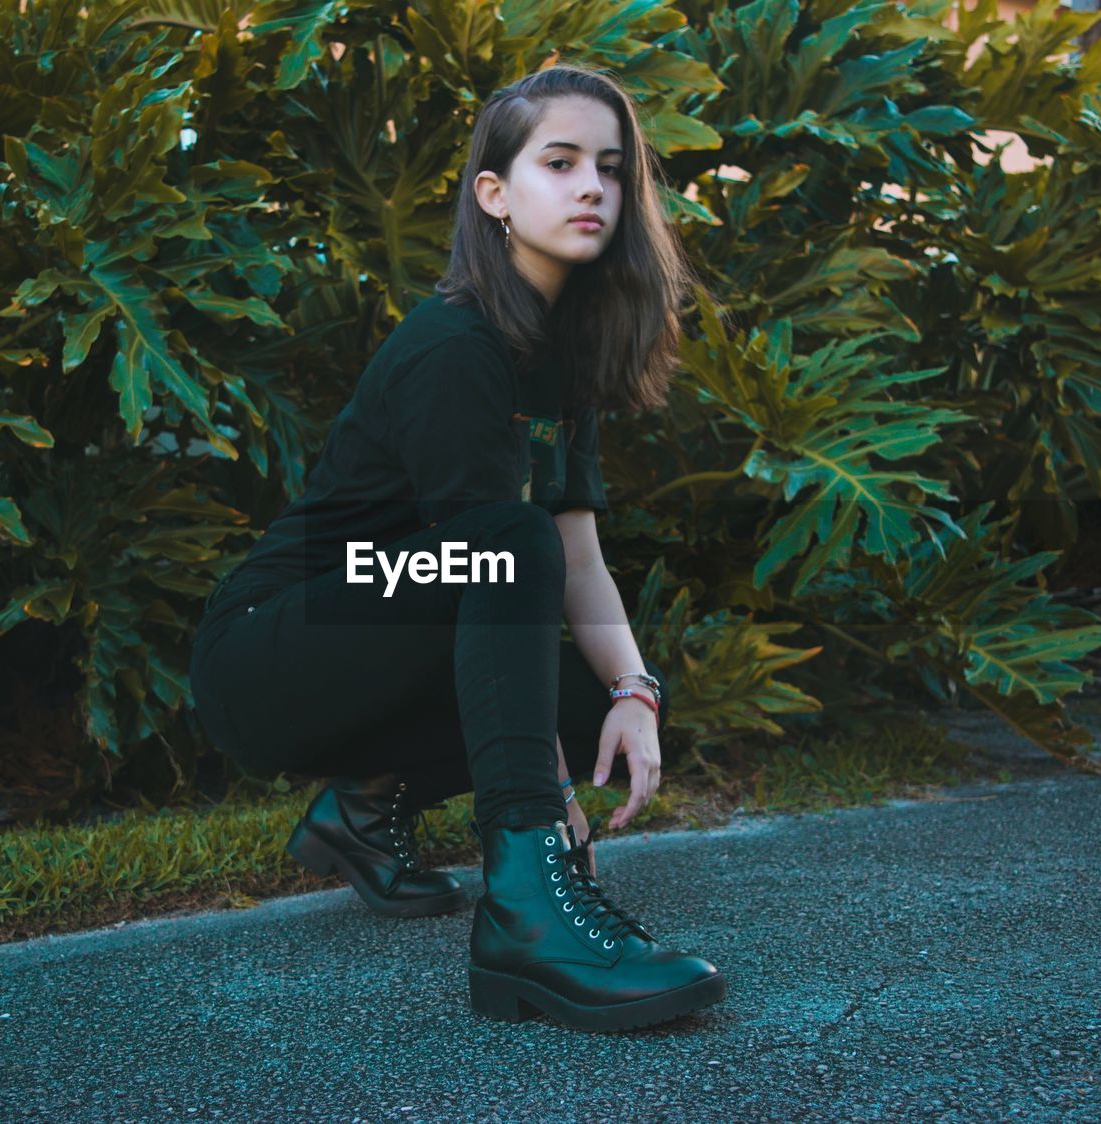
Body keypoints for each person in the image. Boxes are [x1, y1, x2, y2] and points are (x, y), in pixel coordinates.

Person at [188, 63, 726, 1032]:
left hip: (388, 615)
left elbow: (576, 551)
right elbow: (499, 556)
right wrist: (549, 813)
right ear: (494, 194)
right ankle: (526, 913)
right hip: (271, 640)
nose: (591, 186)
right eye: (557, 162)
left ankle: (358, 809)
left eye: (609, 166)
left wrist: (636, 694)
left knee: (574, 698)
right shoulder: (452, 347)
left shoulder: (555, 353)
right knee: (509, 557)